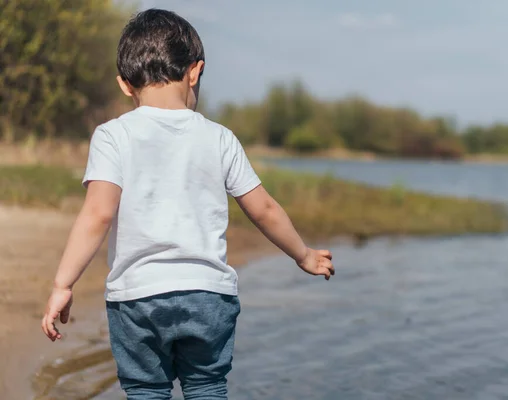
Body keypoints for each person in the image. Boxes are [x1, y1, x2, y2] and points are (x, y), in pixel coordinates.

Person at [41, 8, 335, 400]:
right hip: (208, 295)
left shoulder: (113, 136)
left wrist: (63, 283)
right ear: (194, 72)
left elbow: (98, 213)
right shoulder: (219, 138)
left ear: (125, 85)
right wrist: (303, 255)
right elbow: (263, 208)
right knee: (207, 387)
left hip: (138, 298)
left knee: (146, 390)